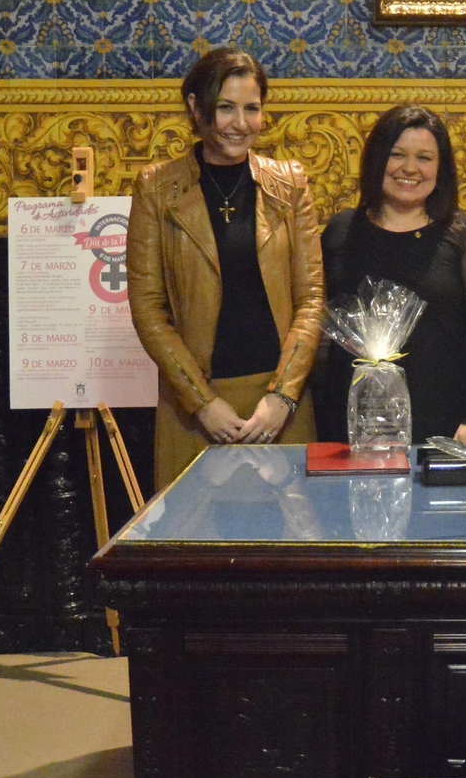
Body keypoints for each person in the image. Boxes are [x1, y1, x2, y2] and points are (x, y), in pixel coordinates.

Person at [128, 47, 324, 489]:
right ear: (196, 108)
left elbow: (311, 299)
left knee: (285, 552)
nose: (241, 123)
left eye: (252, 109)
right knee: (196, 550)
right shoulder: (156, 188)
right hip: (196, 412)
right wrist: (202, 403)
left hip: (279, 408)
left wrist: (282, 396)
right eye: (226, 108)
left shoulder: (289, 184)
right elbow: (147, 307)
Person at [317, 105, 466, 446]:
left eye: (424, 158)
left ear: (441, 168)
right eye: (396, 154)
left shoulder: (461, 234)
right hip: (349, 422)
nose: (409, 169)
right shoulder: (341, 231)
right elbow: (322, 336)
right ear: (376, 160)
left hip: (444, 420)